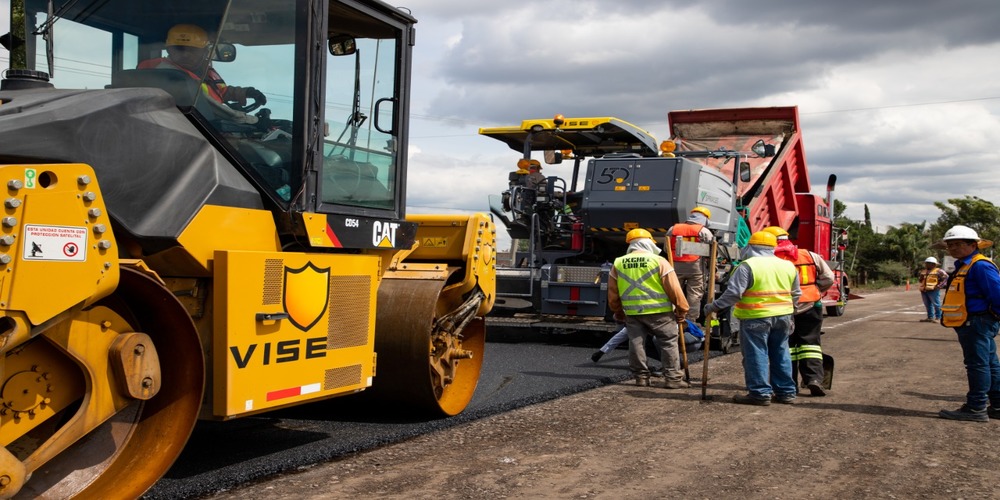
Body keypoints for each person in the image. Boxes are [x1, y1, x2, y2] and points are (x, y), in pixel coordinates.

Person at [704, 231, 801, 405]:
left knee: (757, 353)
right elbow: (796, 294)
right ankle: (786, 392)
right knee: (781, 352)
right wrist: (790, 312)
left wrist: (713, 306)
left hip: (756, 317)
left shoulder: (748, 265)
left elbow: (733, 294)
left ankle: (760, 393)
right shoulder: (788, 266)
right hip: (783, 317)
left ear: (751, 246)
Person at [607, 228, 690, 388]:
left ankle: (641, 378)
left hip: (632, 312)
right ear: (648, 243)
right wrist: (682, 309)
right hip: (660, 313)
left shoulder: (618, 263)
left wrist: (618, 311)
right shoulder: (659, 261)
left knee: (636, 343)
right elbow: (674, 288)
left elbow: (613, 292)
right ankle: (672, 379)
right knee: (668, 342)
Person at [938, 225, 1000, 422]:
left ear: (973, 245)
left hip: (977, 321)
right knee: (990, 364)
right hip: (974, 321)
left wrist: (991, 317)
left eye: (958, 244)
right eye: (950, 245)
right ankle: (997, 405)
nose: (953, 249)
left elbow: (997, 294)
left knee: (977, 365)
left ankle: (976, 407)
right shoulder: (965, 264)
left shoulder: (979, 265)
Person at [764, 226, 834, 396]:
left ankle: (790, 383)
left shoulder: (770, 258)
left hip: (783, 307)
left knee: (786, 346)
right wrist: (815, 288)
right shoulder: (809, 255)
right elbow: (829, 278)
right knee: (810, 344)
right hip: (811, 305)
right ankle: (814, 379)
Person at [138, 24, 266, 108]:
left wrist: (245, 92)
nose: (186, 54)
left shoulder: (206, 71)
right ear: (169, 49)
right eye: (179, 49)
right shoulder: (160, 71)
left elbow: (220, 91)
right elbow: (207, 109)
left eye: (193, 49)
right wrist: (248, 120)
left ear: (205, 51)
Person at [665, 207, 715, 322]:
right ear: (705, 219)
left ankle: (670, 319)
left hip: (675, 266)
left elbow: (666, 248)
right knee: (694, 295)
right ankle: (690, 322)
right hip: (696, 268)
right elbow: (712, 252)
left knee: (673, 293)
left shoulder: (673, 229)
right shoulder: (704, 231)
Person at [918, 256, 949, 322]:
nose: (926, 264)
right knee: (927, 304)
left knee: (936, 304)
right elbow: (920, 279)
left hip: (933, 290)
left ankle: (938, 317)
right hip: (924, 290)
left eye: (928, 263)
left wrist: (939, 286)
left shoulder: (939, 271)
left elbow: (946, 278)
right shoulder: (924, 271)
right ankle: (930, 317)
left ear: (933, 264)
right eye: (926, 263)